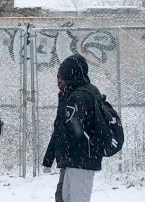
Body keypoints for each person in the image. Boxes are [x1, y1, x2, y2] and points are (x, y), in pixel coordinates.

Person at [42, 54, 101, 202]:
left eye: (61, 77)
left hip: (80, 159)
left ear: (71, 76)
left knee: (75, 198)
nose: (58, 81)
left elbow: (72, 130)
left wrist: (61, 154)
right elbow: (61, 129)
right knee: (64, 197)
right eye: (57, 77)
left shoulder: (79, 97)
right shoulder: (71, 95)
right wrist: (50, 157)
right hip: (74, 160)